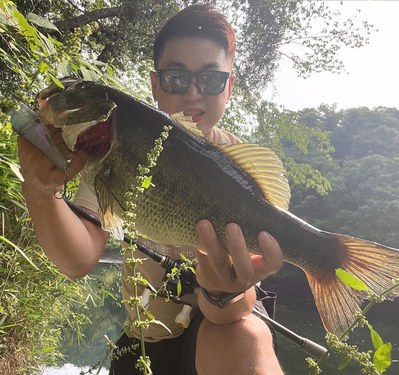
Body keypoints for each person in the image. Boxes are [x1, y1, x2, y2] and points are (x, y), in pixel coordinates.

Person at [18, 4, 284, 375]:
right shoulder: (119, 146)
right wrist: (40, 190)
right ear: (155, 84)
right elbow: (77, 260)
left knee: (243, 335)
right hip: (147, 339)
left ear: (228, 87)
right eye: (176, 78)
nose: (193, 93)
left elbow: (232, 313)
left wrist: (223, 289)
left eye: (209, 80)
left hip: (223, 322)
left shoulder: (241, 172)